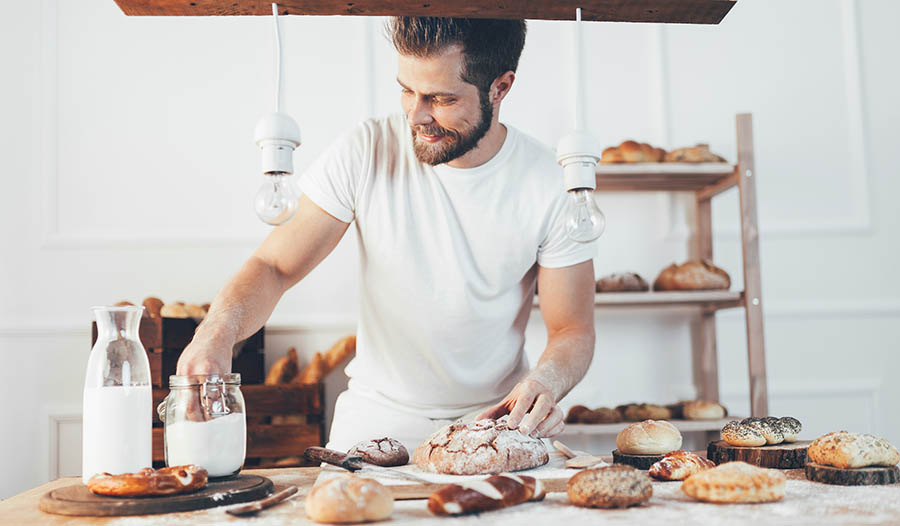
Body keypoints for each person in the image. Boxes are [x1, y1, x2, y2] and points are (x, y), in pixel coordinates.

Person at [176, 17, 596, 453]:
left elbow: (573, 329)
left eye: (442, 98)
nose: (416, 114)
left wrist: (544, 383)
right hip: (377, 420)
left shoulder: (552, 180)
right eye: (407, 90)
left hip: (495, 424)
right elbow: (275, 266)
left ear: (501, 87)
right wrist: (216, 335)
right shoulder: (368, 149)